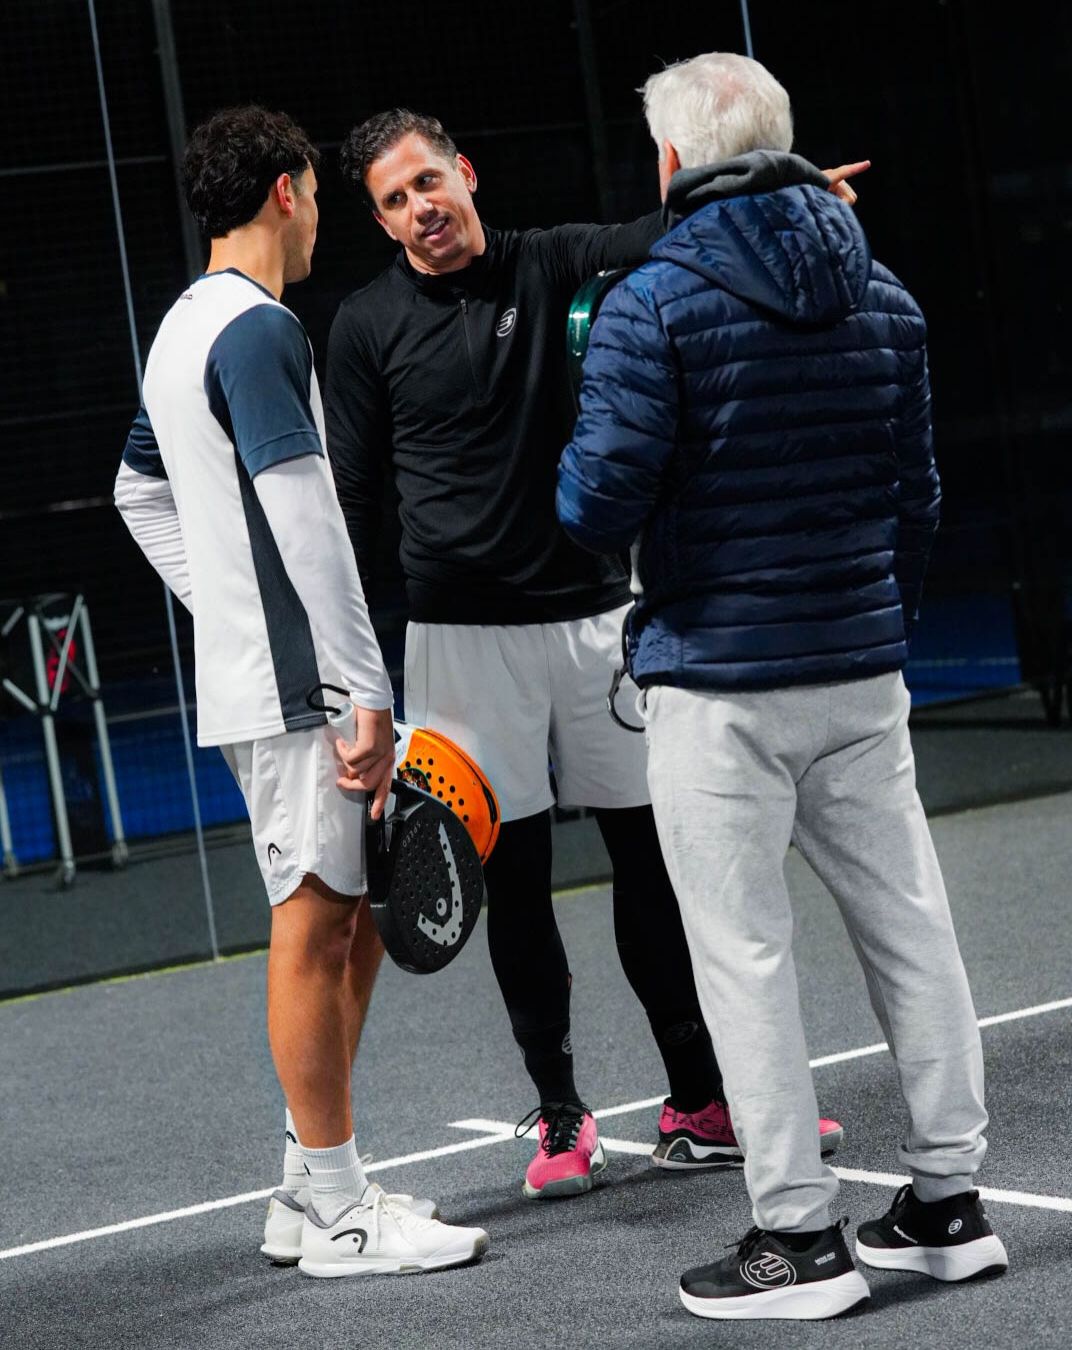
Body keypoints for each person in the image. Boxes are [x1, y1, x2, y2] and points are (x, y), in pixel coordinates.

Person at [325, 109, 858, 1198]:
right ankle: (561, 1116)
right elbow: (352, 499)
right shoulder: (365, 325)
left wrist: (782, 193)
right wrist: (364, 672)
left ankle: (699, 1104)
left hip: (593, 624)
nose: (421, 210)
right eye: (394, 201)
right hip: (459, 649)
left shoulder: (551, 259)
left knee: (652, 865)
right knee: (513, 884)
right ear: (380, 223)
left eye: (430, 181)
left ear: (465, 171)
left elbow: (661, 232)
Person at [558, 52, 1008, 1319]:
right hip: (861, 669)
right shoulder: (887, 295)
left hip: (721, 682)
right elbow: (916, 497)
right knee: (911, 926)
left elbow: (595, 505)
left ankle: (797, 1241)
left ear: (672, 162)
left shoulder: (650, 306)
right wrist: (876, 616)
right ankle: (949, 1205)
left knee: (744, 955)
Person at [114, 105, 488, 1278]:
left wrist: (220, 607)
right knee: (313, 926)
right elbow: (307, 517)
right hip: (302, 691)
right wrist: (361, 685)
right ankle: (339, 1216)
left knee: (345, 917)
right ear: (286, 191)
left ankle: (305, 1191)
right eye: (322, 195)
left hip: (267, 678)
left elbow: (138, 494)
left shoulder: (183, 328)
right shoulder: (260, 331)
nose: (324, 215)